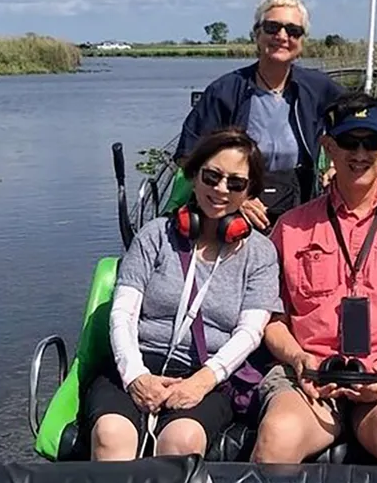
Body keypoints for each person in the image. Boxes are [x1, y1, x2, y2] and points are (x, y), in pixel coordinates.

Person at [250, 91, 377, 468]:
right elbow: (273, 320)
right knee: (276, 438)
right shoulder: (290, 228)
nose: (360, 153)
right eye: (348, 141)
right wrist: (300, 358)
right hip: (308, 377)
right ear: (328, 145)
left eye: (371, 142)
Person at [85, 127, 283, 461]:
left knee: (182, 439)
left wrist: (202, 382)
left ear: (249, 191)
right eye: (212, 176)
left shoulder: (261, 254)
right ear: (194, 175)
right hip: (139, 361)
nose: (220, 190)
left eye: (235, 183)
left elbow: (250, 332)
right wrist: (135, 376)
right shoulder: (154, 236)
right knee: (111, 434)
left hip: (209, 372)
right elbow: (123, 313)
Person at [173, 0, 346, 232]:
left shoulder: (317, 88)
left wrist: (338, 162)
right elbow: (188, 155)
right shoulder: (225, 90)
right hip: (234, 211)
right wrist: (236, 197)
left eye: (293, 30)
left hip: (300, 205)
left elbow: (361, 117)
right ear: (257, 34)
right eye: (272, 27)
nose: (282, 36)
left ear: (302, 41)